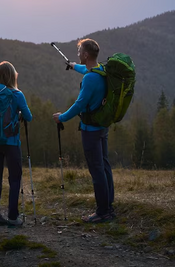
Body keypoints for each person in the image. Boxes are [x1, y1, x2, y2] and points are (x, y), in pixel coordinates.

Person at [53, 38, 115, 223]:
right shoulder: (101, 70)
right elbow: (86, 69)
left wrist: (62, 117)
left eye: (79, 51)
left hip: (90, 130)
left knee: (96, 171)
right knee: (104, 166)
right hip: (102, 127)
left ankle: (102, 211)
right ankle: (108, 206)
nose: (78, 54)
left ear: (86, 54)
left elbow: (80, 104)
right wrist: (73, 66)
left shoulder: (89, 79)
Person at [0, 61, 32, 226]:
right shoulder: (17, 94)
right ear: (13, 75)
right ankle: (13, 217)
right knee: (14, 178)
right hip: (12, 142)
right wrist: (18, 112)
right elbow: (29, 117)